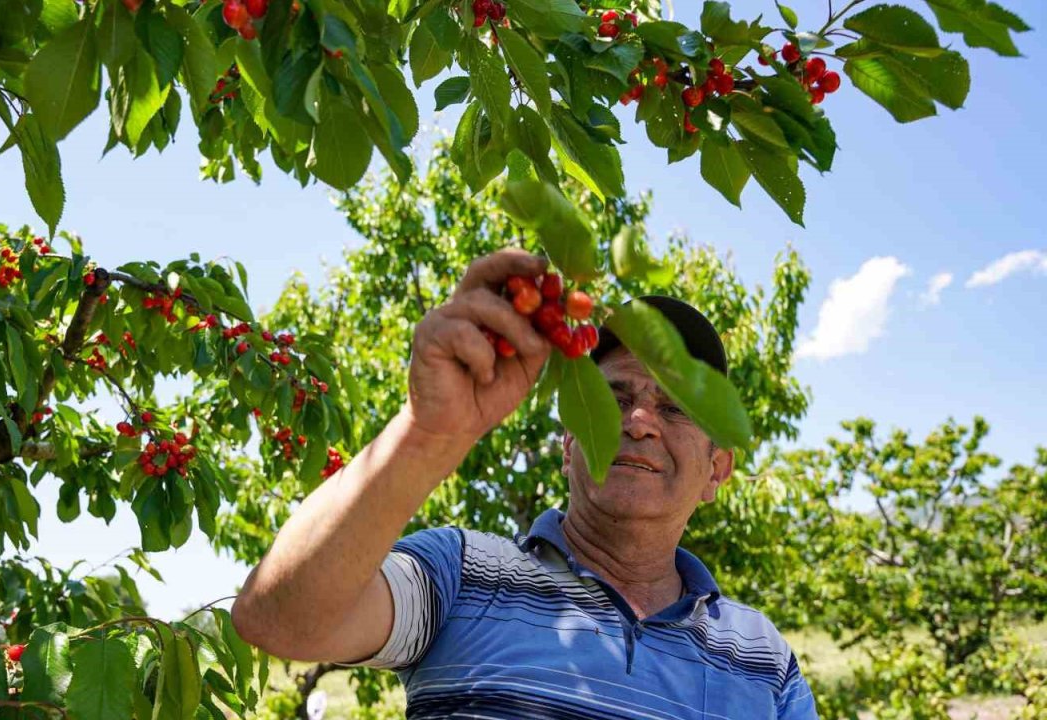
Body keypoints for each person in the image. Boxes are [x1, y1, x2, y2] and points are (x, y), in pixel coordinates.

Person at [231, 249, 818, 718]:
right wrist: (426, 431)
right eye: (614, 398)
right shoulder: (462, 575)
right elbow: (278, 619)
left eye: (675, 409)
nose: (638, 421)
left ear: (718, 470)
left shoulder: (763, 660)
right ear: (569, 447)